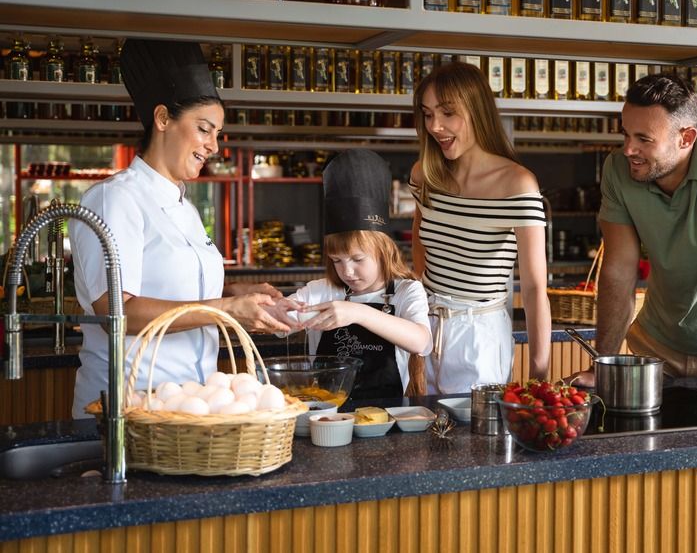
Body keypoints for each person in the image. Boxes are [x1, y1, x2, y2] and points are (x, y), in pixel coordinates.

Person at [69, 39, 297, 418]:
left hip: (187, 405)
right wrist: (227, 309)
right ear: (162, 119)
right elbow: (116, 313)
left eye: (217, 133)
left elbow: (170, 288)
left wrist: (236, 293)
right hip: (129, 406)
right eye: (205, 129)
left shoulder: (185, 207)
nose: (214, 146)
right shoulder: (115, 199)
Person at [575, 73, 697, 405]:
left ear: (686, 138)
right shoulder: (617, 170)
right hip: (654, 348)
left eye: (643, 139)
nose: (628, 149)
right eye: (625, 134)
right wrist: (602, 365)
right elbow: (618, 270)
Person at [410, 61, 551, 394]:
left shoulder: (517, 184)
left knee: (473, 427)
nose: (435, 126)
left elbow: (534, 289)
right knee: (420, 425)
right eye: (428, 114)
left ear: (477, 109)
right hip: (424, 329)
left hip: (479, 335)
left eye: (448, 113)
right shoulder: (424, 174)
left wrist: (539, 375)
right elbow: (419, 249)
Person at [285, 149, 433, 399]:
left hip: (386, 414)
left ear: (383, 251)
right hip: (326, 413)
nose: (347, 271)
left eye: (357, 259)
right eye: (337, 261)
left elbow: (422, 342)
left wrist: (358, 313)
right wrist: (273, 311)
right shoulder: (321, 291)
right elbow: (278, 320)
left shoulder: (406, 291)